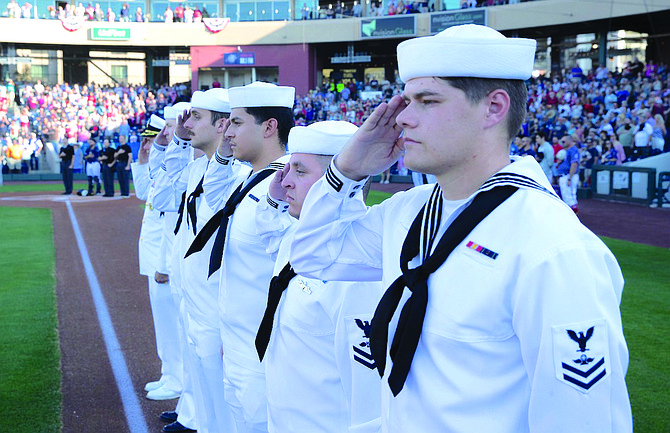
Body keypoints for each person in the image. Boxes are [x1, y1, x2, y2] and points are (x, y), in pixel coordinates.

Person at [290, 24, 631, 433]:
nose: (403, 119)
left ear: (494, 108)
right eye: (406, 101)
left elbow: (582, 421)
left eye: (427, 101)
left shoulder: (552, 247)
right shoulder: (409, 211)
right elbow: (312, 255)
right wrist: (345, 171)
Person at [255, 121, 383, 433]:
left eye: (299, 171)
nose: (286, 182)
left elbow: (369, 398)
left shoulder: (358, 269)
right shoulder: (301, 238)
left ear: (338, 182)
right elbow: (273, 240)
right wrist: (273, 203)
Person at [190, 81, 295, 433]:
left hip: (262, 351)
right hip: (235, 340)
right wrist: (222, 152)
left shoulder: (287, 186)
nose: (227, 132)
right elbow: (213, 195)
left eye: (236, 123)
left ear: (269, 127)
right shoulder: (247, 179)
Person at [152, 89, 238, 433]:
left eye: (197, 117)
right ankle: (194, 420)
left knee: (219, 374)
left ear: (222, 125)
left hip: (214, 285)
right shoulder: (196, 166)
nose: (188, 123)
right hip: (189, 280)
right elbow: (161, 198)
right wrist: (178, 142)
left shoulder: (234, 172)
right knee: (196, 361)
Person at [130, 114, 185, 406]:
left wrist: (163, 265)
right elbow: (142, 193)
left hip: (164, 263)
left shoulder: (177, 168)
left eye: (168, 127)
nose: (162, 134)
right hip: (154, 257)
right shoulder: (162, 165)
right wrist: (141, 159)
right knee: (163, 323)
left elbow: (172, 222)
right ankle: (169, 374)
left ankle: (177, 380)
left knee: (171, 323)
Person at [556, 134, 580, 213]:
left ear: (570, 140)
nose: (562, 143)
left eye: (564, 141)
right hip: (566, 175)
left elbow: (574, 164)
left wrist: (570, 178)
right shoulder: (568, 150)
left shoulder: (573, 150)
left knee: (570, 197)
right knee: (567, 197)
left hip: (569, 176)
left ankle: (573, 216)